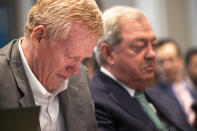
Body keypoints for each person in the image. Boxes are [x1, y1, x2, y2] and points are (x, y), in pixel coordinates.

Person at [0, 0, 103, 131]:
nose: (76, 70)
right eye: (71, 56)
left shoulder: (80, 79)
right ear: (39, 37)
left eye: (82, 59)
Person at [91, 6, 196, 131]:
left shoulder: (159, 95)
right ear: (108, 53)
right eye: (139, 46)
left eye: (154, 45)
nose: (152, 54)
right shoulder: (93, 102)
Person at [150, 38, 197, 128]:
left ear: (181, 60)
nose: (167, 66)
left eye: (171, 59)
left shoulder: (192, 88)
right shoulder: (153, 96)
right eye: (161, 62)